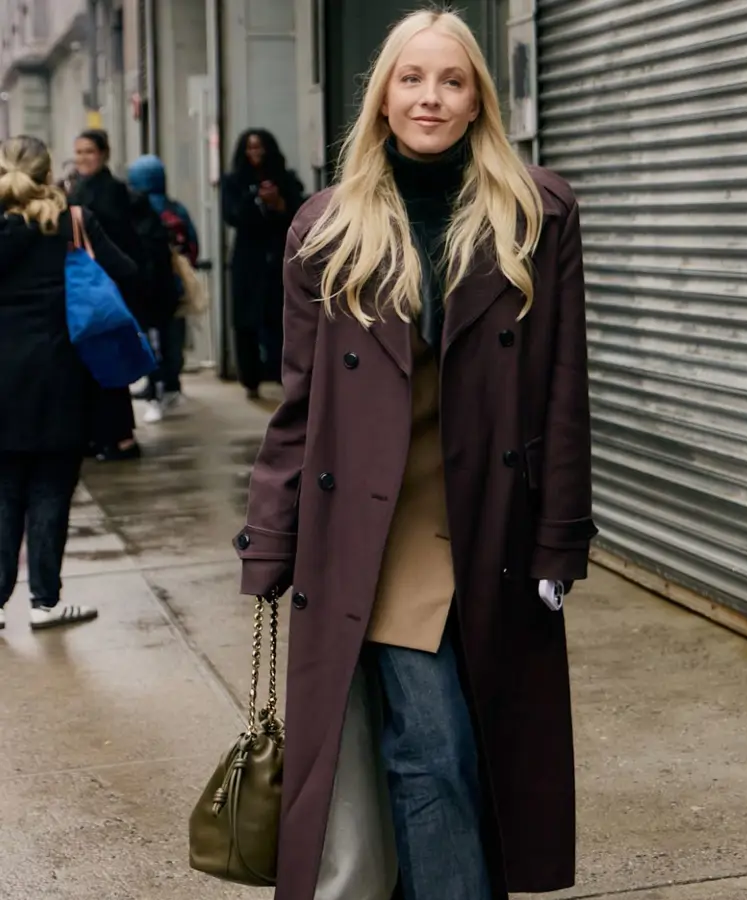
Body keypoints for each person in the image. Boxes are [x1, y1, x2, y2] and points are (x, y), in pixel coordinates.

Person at [234, 9, 596, 900]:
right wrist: (271, 535)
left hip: (486, 521)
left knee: (465, 749)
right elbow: (300, 403)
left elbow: (562, 387)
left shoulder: (537, 213)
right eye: (411, 78)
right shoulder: (325, 227)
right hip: (374, 524)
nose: (429, 97)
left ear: (479, 100)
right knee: (429, 749)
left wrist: (560, 534)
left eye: (451, 80)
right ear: (382, 97)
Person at [0, 135, 137, 630]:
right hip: (61, 379)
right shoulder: (73, 222)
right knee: (51, 489)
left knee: (5, 490)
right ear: (45, 174)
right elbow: (128, 273)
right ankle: (45, 602)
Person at [70, 129, 145, 461]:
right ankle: (107, 435)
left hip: (105, 287)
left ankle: (118, 437)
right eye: (79, 152)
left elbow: (120, 240)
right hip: (99, 286)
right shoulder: (78, 188)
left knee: (107, 363)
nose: (83, 158)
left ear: (103, 153)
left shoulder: (111, 191)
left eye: (89, 151)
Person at [222, 129, 304, 399]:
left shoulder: (287, 180)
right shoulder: (233, 182)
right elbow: (232, 216)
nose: (254, 153)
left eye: (259, 148)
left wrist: (278, 203)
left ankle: (285, 375)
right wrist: (256, 199)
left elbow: (298, 213)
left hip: (281, 256)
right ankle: (250, 379)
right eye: (249, 148)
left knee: (281, 318)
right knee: (245, 321)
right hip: (248, 258)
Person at [127, 154, 200, 419]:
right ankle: (170, 384)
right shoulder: (174, 209)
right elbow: (192, 243)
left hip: (146, 286)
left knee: (149, 337)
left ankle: (156, 384)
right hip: (173, 285)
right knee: (172, 336)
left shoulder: (134, 209)